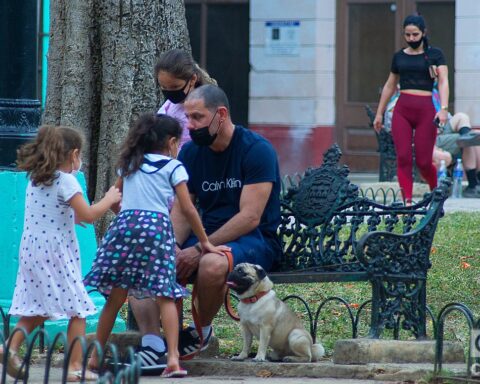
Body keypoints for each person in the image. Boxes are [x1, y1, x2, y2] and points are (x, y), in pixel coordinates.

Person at [129, 84, 282, 365]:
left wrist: (201, 249)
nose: (190, 125)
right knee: (147, 260)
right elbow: (184, 211)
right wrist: (172, 246)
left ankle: (201, 332)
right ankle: (153, 345)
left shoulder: (257, 150)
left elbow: (250, 217)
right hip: (206, 235)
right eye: (187, 118)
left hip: (254, 239)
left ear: (221, 115)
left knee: (212, 264)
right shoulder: (190, 154)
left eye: (197, 118)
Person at [83, 114, 229, 378]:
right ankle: (173, 359)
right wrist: (205, 242)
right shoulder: (174, 168)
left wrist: (130, 219)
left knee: (116, 298)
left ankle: (94, 358)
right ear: (172, 142)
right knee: (164, 296)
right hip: (157, 230)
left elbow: (116, 199)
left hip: (125, 228)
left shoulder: (129, 163)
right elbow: (187, 208)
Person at [0, 126, 121, 382]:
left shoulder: (37, 178)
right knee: (77, 310)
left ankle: (8, 347)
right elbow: (88, 214)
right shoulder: (67, 180)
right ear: (74, 154)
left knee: (38, 308)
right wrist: (109, 198)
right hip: (54, 253)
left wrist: (73, 216)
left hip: (32, 250)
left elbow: (68, 213)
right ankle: (75, 366)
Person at [373, 14, 449, 204]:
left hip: (426, 111)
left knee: (424, 162)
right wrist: (379, 113)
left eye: (415, 34)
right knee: (404, 157)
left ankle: (435, 194)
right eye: (407, 35)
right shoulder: (399, 56)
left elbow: (443, 82)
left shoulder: (435, 54)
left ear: (424, 33)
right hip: (402, 111)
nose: (411, 39)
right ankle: (407, 201)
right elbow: (390, 85)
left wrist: (444, 109)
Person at [155, 48, 216, 149]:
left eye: (175, 87)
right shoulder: (169, 106)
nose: (169, 92)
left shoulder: (207, 108)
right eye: (164, 87)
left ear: (193, 79)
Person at [433, 112, 480, 197]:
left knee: (462, 116)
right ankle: (473, 185)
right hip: (431, 138)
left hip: (441, 129)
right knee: (471, 138)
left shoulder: (435, 100)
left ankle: (466, 135)